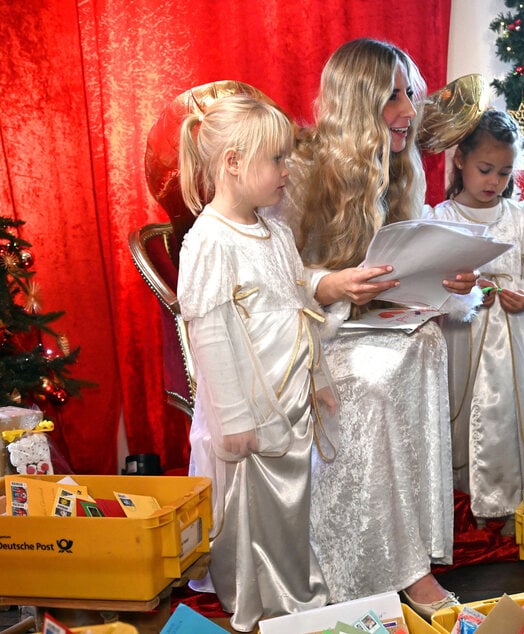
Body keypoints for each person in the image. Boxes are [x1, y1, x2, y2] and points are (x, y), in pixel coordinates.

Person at [281, 38, 478, 618]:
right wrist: (333, 285)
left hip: (359, 325)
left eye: (409, 94)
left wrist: (445, 278)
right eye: (392, 96)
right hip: (305, 337)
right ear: (358, 100)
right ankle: (366, 562)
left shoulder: (397, 167)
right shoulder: (296, 169)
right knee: (373, 379)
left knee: (423, 343)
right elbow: (267, 280)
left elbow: (401, 266)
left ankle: (406, 547)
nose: (408, 111)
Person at [177, 94, 338, 632]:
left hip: (290, 399)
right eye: (277, 160)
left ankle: (293, 585)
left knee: (290, 508)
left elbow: (299, 304)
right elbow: (212, 333)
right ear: (233, 163)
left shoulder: (278, 232)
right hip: (252, 408)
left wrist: (317, 380)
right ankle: (255, 591)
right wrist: (234, 417)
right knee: (251, 509)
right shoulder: (209, 241)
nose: (287, 171)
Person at [423, 107, 524, 534]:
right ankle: (464, 516)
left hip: (512, 340)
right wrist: (462, 289)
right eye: (485, 169)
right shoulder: (441, 219)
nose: (494, 182)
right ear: (460, 160)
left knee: (512, 416)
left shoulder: (521, 218)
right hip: (463, 339)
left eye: (504, 173)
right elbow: (431, 286)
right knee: (465, 415)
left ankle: (520, 515)